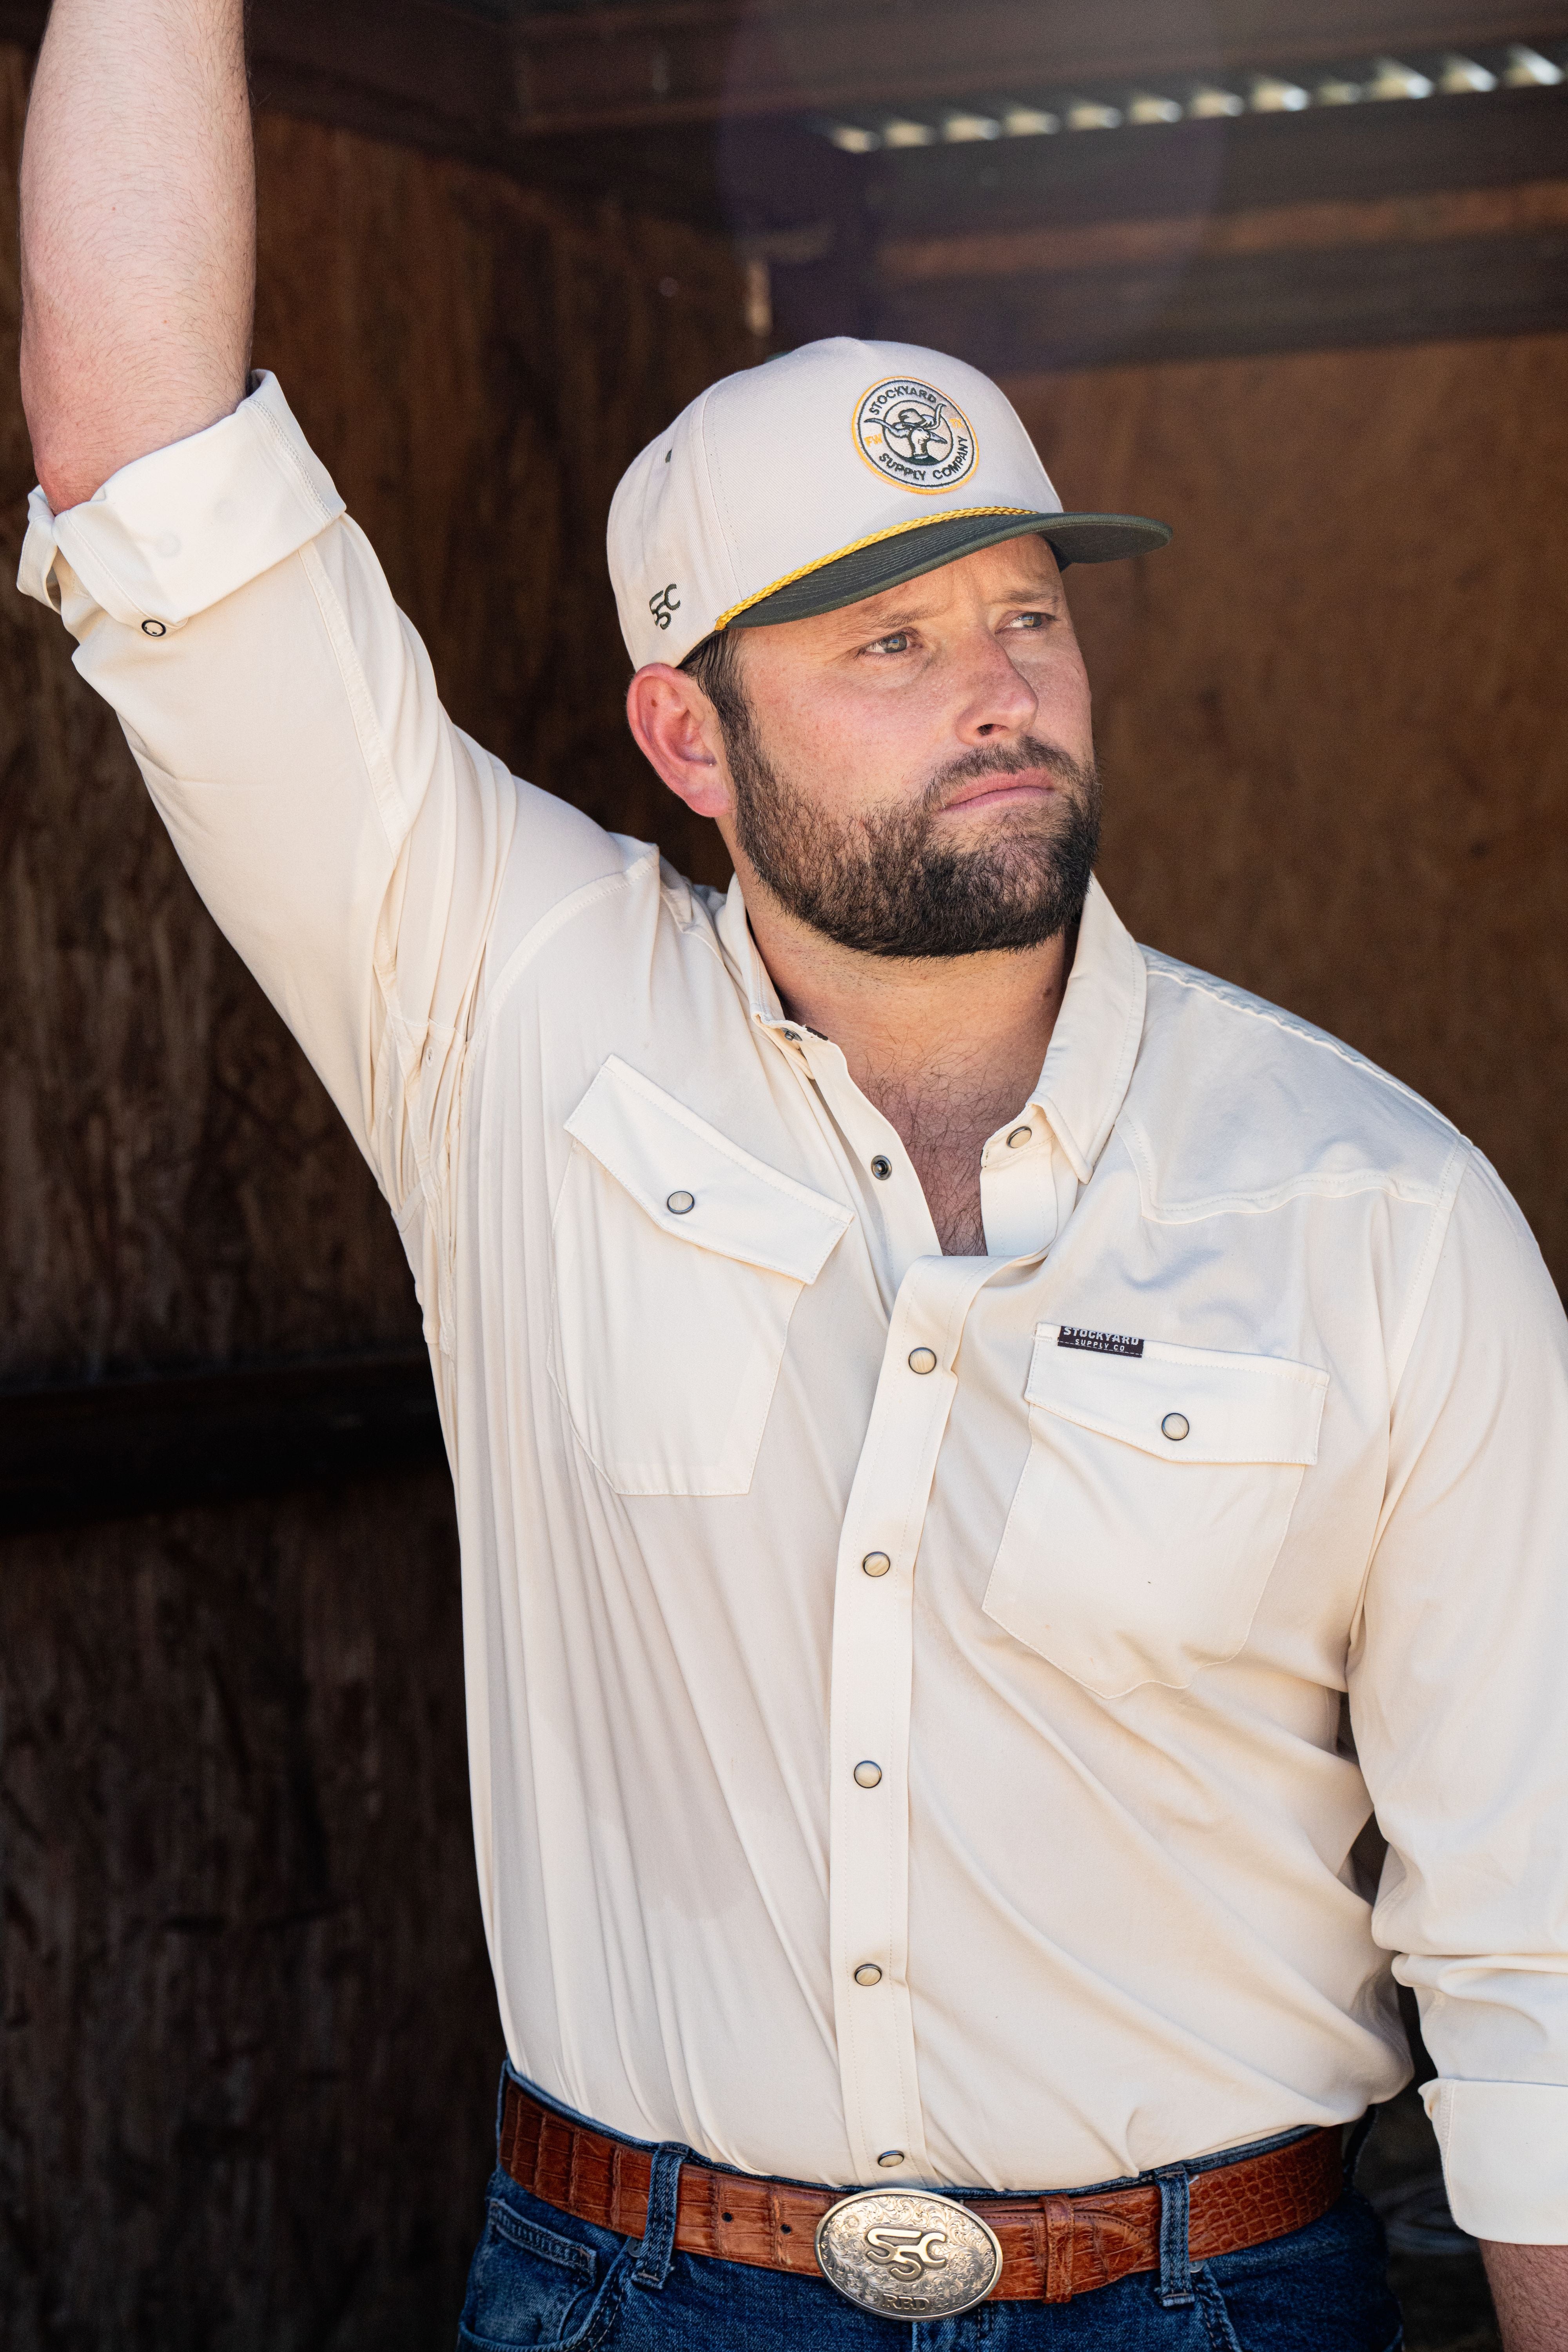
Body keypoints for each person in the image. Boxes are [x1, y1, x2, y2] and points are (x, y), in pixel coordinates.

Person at [17, 5, 1568, 2348]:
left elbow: (1542, 1934)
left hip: (1214, 2303)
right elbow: (154, 474)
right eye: (889, 638)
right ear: (685, 734)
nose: (1001, 687)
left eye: (1030, 611)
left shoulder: (1382, 1207)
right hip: (630, 2295)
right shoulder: (506, 1020)